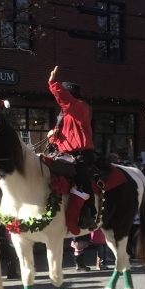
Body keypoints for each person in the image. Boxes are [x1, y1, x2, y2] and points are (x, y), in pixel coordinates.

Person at [46, 65, 96, 235]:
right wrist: (52, 136)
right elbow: (62, 138)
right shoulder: (65, 114)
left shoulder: (80, 106)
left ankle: (89, 215)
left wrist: (53, 83)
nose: (60, 102)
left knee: (82, 182)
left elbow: (64, 99)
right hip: (63, 155)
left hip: (80, 155)